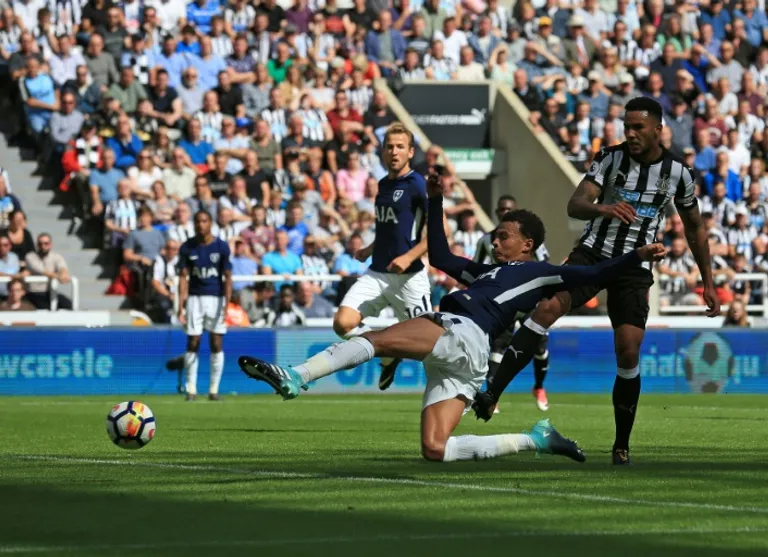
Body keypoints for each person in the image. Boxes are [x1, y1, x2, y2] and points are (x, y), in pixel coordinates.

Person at [238, 171, 666, 463]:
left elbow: (592, 273)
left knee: (376, 339)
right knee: (435, 449)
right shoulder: (487, 271)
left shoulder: (540, 271)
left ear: (527, 243)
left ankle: (296, 376)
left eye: (504, 236)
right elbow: (441, 256)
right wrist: (436, 201)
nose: (495, 242)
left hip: (463, 331)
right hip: (468, 359)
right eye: (495, 236)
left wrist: (637, 255)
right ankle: (535, 439)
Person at [472, 97, 720, 465]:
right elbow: (575, 204)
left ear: (658, 130)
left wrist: (708, 281)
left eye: (638, 127)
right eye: (626, 126)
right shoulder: (610, 158)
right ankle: (492, 392)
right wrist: (604, 207)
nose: (630, 133)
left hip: (635, 265)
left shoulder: (678, 173)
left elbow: (695, 227)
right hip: (591, 254)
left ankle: (621, 445)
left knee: (629, 350)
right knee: (546, 308)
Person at [332, 123, 433, 392]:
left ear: (410, 152)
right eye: (389, 147)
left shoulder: (417, 184)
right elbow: (390, 228)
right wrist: (370, 248)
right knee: (342, 324)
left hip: (409, 277)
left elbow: (440, 230)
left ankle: (469, 391)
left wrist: (409, 256)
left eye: (400, 147)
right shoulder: (384, 184)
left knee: (430, 345)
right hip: (377, 273)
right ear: (383, 152)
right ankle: (388, 351)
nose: (394, 151)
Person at [473, 194, 552, 412]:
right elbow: (475, 270)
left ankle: (539, 386)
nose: (505, 213)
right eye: (501, 210)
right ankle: (492, 395)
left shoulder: (530, 239)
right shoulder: (486, 241)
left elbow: (545, 266)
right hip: (502, 301)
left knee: (539, 345)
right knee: (498, 346)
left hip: (528, 299)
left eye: (509, 210)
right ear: (496, 213)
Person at [177, 210, 233, 401]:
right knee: (193, 341)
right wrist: (181, 303)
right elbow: (183, 276)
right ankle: (191, 389)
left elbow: (228, 277)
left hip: (216, 298)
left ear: (210, 223)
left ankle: (214, 389)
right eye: (198, 221)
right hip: (195, 299)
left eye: (204, 221)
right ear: (194, 224)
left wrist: (227, 303)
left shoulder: (221, 246)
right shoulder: (187, 247)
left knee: (216, 342)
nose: (201, 225)